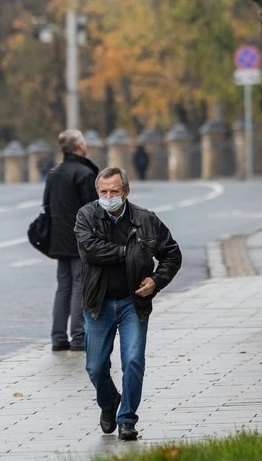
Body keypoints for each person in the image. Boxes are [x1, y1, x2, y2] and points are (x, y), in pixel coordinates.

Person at [75, 166, 182, 441]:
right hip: (98, 302)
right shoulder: (87, 215)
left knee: (133, 360)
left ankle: (127, 419)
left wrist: (157, 281)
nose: (108, 196)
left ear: (126, 191)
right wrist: (126, 251)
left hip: (133, 302)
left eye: (114, 191)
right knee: (96, 367)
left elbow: (172, 254)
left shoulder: (146, 220)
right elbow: (90, 249)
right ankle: (109, 402)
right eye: (103, 192)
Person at [44, 129, 99, 352]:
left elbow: (47, 205)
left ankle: (58, 338)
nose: (86, 146)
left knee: (63, 287)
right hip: (80, 239)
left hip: (58, 239)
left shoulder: (55, 172)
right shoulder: (84, 173)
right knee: (80, 286)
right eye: (84, 142)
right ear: (78, 147)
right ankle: (78, 337)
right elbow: (93, 209)